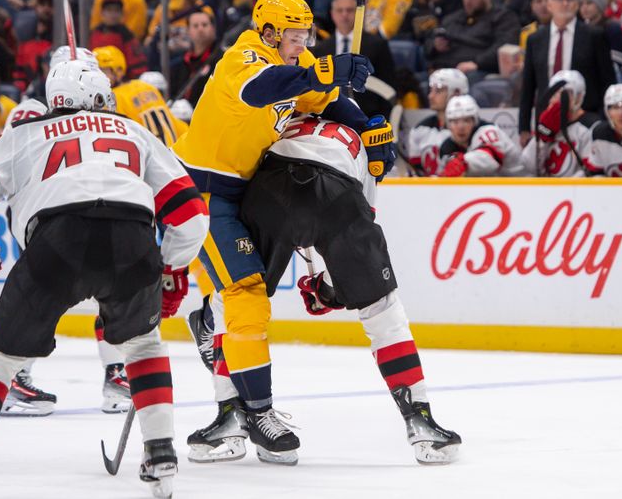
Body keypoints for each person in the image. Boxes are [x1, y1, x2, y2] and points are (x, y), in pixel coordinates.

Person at [0, 59, 208, 499]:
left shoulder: (27, 133)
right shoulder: (135, 132)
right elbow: (191, 214)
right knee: (143, 347)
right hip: (132, 241)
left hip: (56, 242)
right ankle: (160, 453)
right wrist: (171, 270)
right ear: (103, 98)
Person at [171, 0, 392, 464]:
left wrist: (368, 124)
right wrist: (319, 70)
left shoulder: (299, 58)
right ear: (269, 31)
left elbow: (326, 100)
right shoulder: (243, 55)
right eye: (294, 36)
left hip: (251, 187)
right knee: (247, 293)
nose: (301, 43)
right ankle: (258, 413)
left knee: (246, 294)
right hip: (204, 192)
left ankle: (210, 325)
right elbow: (261, 89)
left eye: (306, 36)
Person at [185, 115, 462, 465]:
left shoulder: (287, 114)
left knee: (238, 297)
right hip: (337, 190)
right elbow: (350, 242)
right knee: (382, 309)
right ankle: (420, 422)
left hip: (268, 185)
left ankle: (230, 412)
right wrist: (328, 292)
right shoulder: (364, 144)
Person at [1, 45, 137, 417]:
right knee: (40, 298)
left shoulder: (99, 116)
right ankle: (15, 377)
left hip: (88, 213)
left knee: (109, 297)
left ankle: (116, 374)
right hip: (43, 219)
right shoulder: (28, 112)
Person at [519, 0, 615, 144]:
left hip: (585, 117)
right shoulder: (535, 39)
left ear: (577, 5)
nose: (565, 3)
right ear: (549, 5)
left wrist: (604, 120)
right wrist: (524, 128)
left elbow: (607, 80)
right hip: (547, 118)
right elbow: (528, 87)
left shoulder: (594, 35)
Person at [312, 0, 397, 118]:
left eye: (349, 10)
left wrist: (380, 121)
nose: (344, 15)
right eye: (340, 10)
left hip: (368, 116)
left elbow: (389, 86)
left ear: (359, 14)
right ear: (332, 14)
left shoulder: (377, 45)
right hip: (329, 119)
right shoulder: (320, 49)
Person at [425, 0, 520, 78]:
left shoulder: (503, 17)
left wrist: (477, 63)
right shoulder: (452, 18)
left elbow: (503, 46)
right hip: (442, 70)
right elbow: (429, 39)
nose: (467, 1)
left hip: (477, 70)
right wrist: (435, 46)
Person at [93, 45, 188, 146]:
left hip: (148, 157)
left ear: (119, 71)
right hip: (171, 153)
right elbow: (177, 126)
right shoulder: (147, 87)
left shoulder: (112, 99)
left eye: (102, 71)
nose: (96, 77)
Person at [522, 70, 600, 176]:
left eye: (566, 93)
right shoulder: (546, 121)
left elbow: (591, 170)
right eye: (554, 93)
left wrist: (564, 189)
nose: (559, 98)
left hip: (577, 191)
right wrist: (542, 138)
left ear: (579, 97)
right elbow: (528, 166)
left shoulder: (593, 126)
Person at [436, 95, 525, 176]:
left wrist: (463, 162)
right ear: (449, 125)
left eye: (466, 120)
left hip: (524, 187)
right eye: (455, 122)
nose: (461, 127)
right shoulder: (446, 147)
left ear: (474, 122)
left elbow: (490, 161)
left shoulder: (489, 131)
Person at [404, 68, 469, 175]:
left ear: (457, 93)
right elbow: (415, 172)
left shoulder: (472, 129)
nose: (430, 96)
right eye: (431, 90)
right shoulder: (420, 129)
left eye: (438, 90)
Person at [169, 10, 223, 107]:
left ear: (213, 29)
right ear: (188, 31)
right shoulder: (180, 63)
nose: (200, 29)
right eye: (195, 26)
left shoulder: (222, 60)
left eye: (204, 25)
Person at [89, 0, 148, 79]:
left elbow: (137, 65)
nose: (113, 15)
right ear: (102, 13)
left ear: (122, 14)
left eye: (116, 11)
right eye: (109, 10)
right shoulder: (94, 33)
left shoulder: (127, 35)